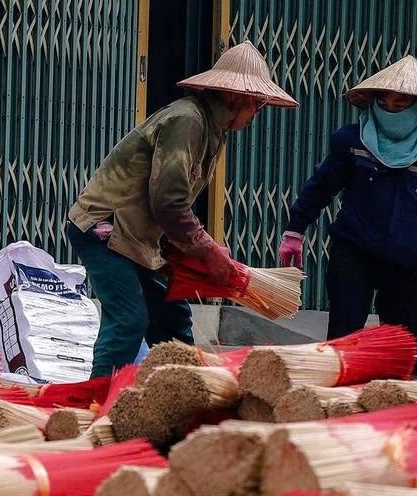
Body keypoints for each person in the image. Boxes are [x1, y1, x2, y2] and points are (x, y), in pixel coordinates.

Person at [67, 42, 296, 376]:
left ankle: (180, 391)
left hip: (139, 238)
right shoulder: (187, 121)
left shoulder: (214, 129)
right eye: (257, 106)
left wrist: (206, 249)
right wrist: (207, 249)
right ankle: (92, 403)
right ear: (236, 98)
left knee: (172, 320)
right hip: (108, 230)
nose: (257, 114)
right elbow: (168, 202)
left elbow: (173, 203)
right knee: (130, 320)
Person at [277, 55, 417, 344]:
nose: (391, 110)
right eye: (384, 102)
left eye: (401, 104)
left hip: (407, 260)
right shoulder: (352, 143)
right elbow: (321, 186)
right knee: (344, 343)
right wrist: (294, 231)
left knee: (405, 349)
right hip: (354, 252)